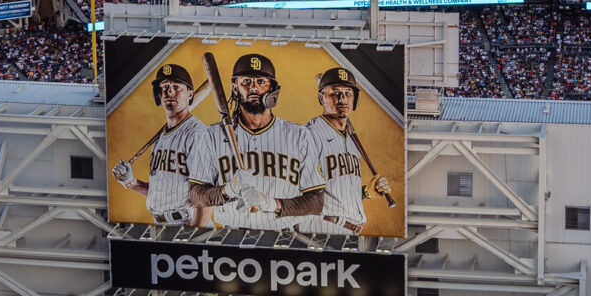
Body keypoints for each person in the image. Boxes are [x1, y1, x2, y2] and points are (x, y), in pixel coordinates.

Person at [191, 52, 327, 230]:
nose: (253, 87)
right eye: (246, 82)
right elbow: (195, 195)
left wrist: (272, 204)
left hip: (284, 238)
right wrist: (228, 190)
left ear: (273, 88)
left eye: (261, 82)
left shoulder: (299, 135)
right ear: (234, 88)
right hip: (231, 237)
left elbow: (317, 201)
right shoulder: (212, 135)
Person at [112, 62, 213, 226]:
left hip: (188, 223)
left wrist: (195, 236)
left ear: (190, 94)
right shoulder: (160, 138)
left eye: (176, 86)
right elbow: (163, 194)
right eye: (164, 87)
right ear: (158, 95)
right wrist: (130, 182)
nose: (170, 91)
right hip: (161, 225)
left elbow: (205, 197)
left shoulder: (196, 134)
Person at [297, 65, 391, 235]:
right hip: (321, 227)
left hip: (352, 230)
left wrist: (366, 192)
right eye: (334, 93)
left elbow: (339, 188)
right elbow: (301, 190)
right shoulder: (309, 134)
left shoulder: (352, 138)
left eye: (348, 93)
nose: (342, 99)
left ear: (354, 99)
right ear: (321, 97)